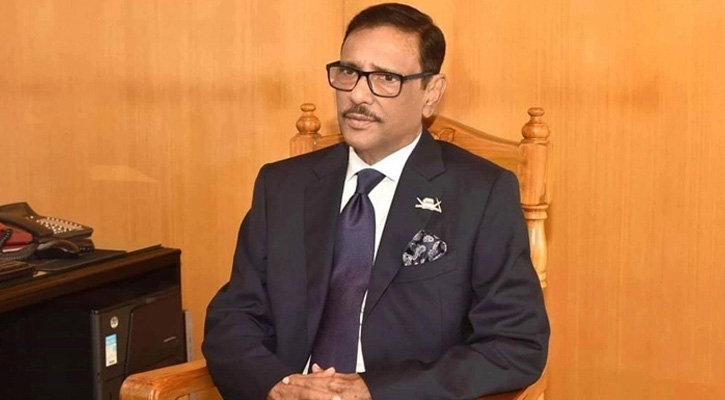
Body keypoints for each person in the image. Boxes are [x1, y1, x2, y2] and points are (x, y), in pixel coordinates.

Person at [202, 3, 549, 399]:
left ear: (431, 93)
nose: (357, 94)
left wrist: (374, 390)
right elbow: (233, 319)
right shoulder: (283, 186)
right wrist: (279, 387)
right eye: (349, 72)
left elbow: (515, 345)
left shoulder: (480, 194)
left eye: (386, 78)